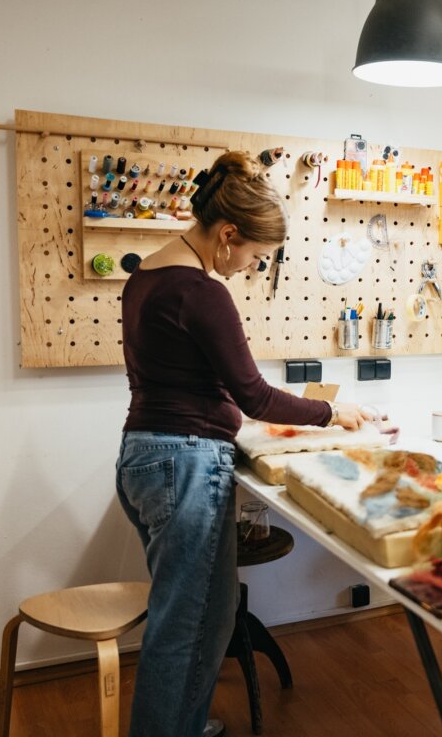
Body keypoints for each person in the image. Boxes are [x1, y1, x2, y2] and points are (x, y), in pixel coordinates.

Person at [116, 150, 365, 737]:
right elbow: (253, 394)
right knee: (188, 624)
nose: (250, 267)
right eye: (254, 255)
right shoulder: (201, 292)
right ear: (227, 235)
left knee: (200, 614)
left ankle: (183, 723)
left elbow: (183, 378)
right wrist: (332, 411)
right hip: (184, 465)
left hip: (144, 457)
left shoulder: (144, 277)